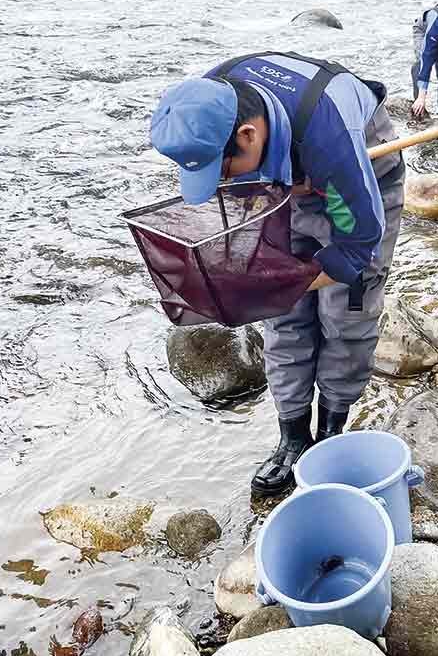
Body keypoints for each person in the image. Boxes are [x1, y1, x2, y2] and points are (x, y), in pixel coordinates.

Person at [148, 52, 406, 498]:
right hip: (283, 181)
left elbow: (357, 248)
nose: (220, 186)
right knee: (283, 318)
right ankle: (292, 435)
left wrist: (287, 284)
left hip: (360, 169)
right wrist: (272, 291)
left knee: (347, 312)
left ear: (248, 136)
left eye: (222, 172)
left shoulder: (332, 137)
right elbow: (235, 185)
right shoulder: (207, 102)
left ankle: (330, 430)